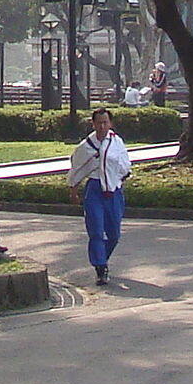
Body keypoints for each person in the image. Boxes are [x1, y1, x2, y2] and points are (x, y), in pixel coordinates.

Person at [74, 105, 133, 285]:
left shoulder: (117, 142)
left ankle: (102, 258)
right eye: (98, 123)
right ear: (93, 124)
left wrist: (119, 177)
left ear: (110, 123)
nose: (102, 127)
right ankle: (100, 267)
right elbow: (77, 167)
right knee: (96, 231)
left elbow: (125, 165)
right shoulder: (86, 146)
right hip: (94, 189)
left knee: (114, 234)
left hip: (114, 190)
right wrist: (73, 188)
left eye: (105, 123)